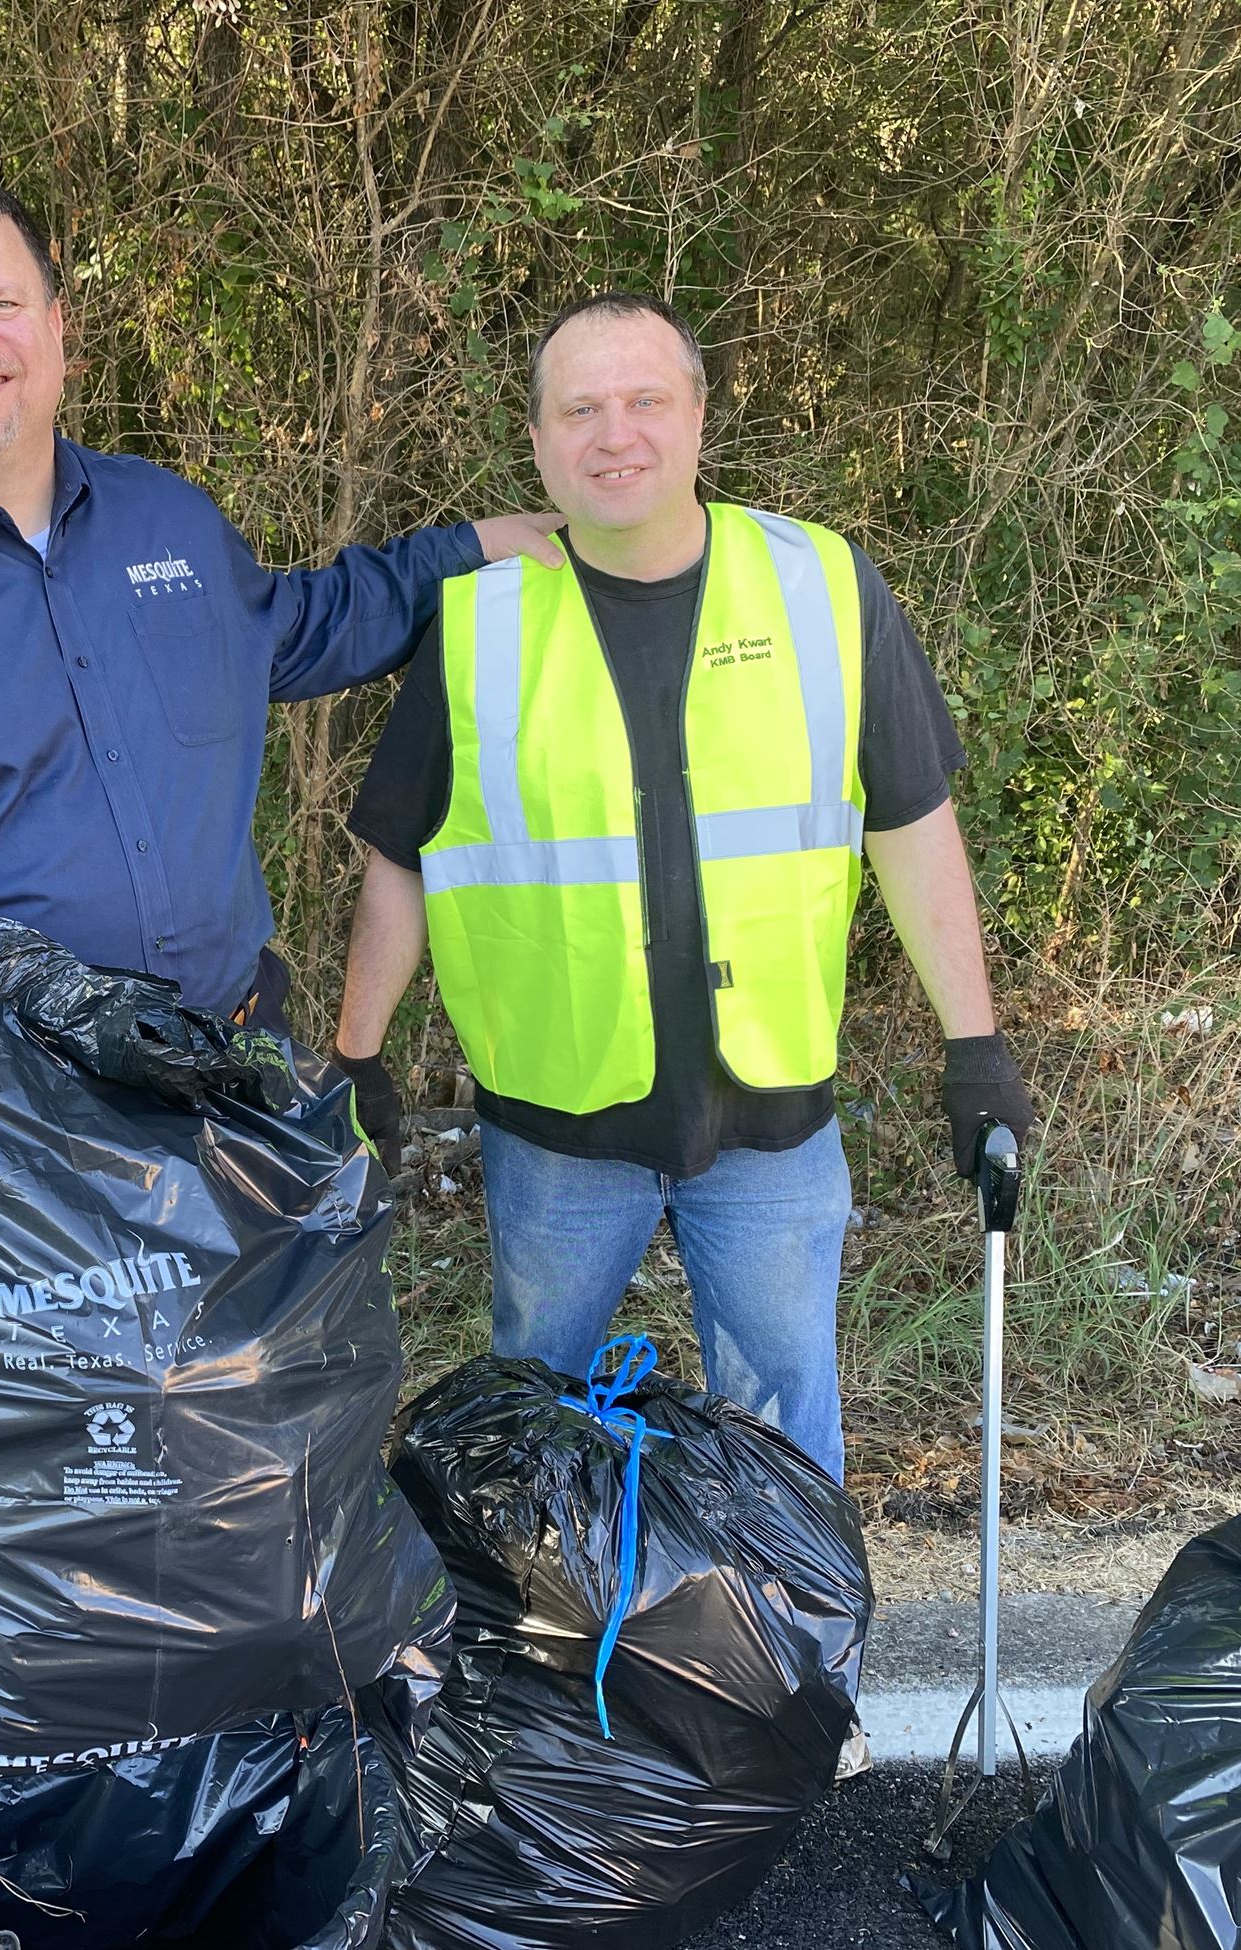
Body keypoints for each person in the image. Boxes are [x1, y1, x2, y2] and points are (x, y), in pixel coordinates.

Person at [332, 291, 1035, 1481]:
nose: (615, 435)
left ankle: (789, 1612)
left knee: (784, 1444)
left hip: (771, 1120)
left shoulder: (820, 586)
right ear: (537, 440)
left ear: (700, 416)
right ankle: (540, 1614)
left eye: (644, 400)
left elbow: (911, 823)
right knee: (529, 1444)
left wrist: (973, 1044)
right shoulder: (476, 621)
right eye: (579, 410)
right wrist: (356, 1056)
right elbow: (401, 856)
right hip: (554, 1129)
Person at [0, 177, 560, 1025]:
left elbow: (300, 627)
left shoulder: (167, 519)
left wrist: (466, 551)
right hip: (10, 1100)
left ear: (55, 326)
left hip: (234, 1060)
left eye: (2, 302)